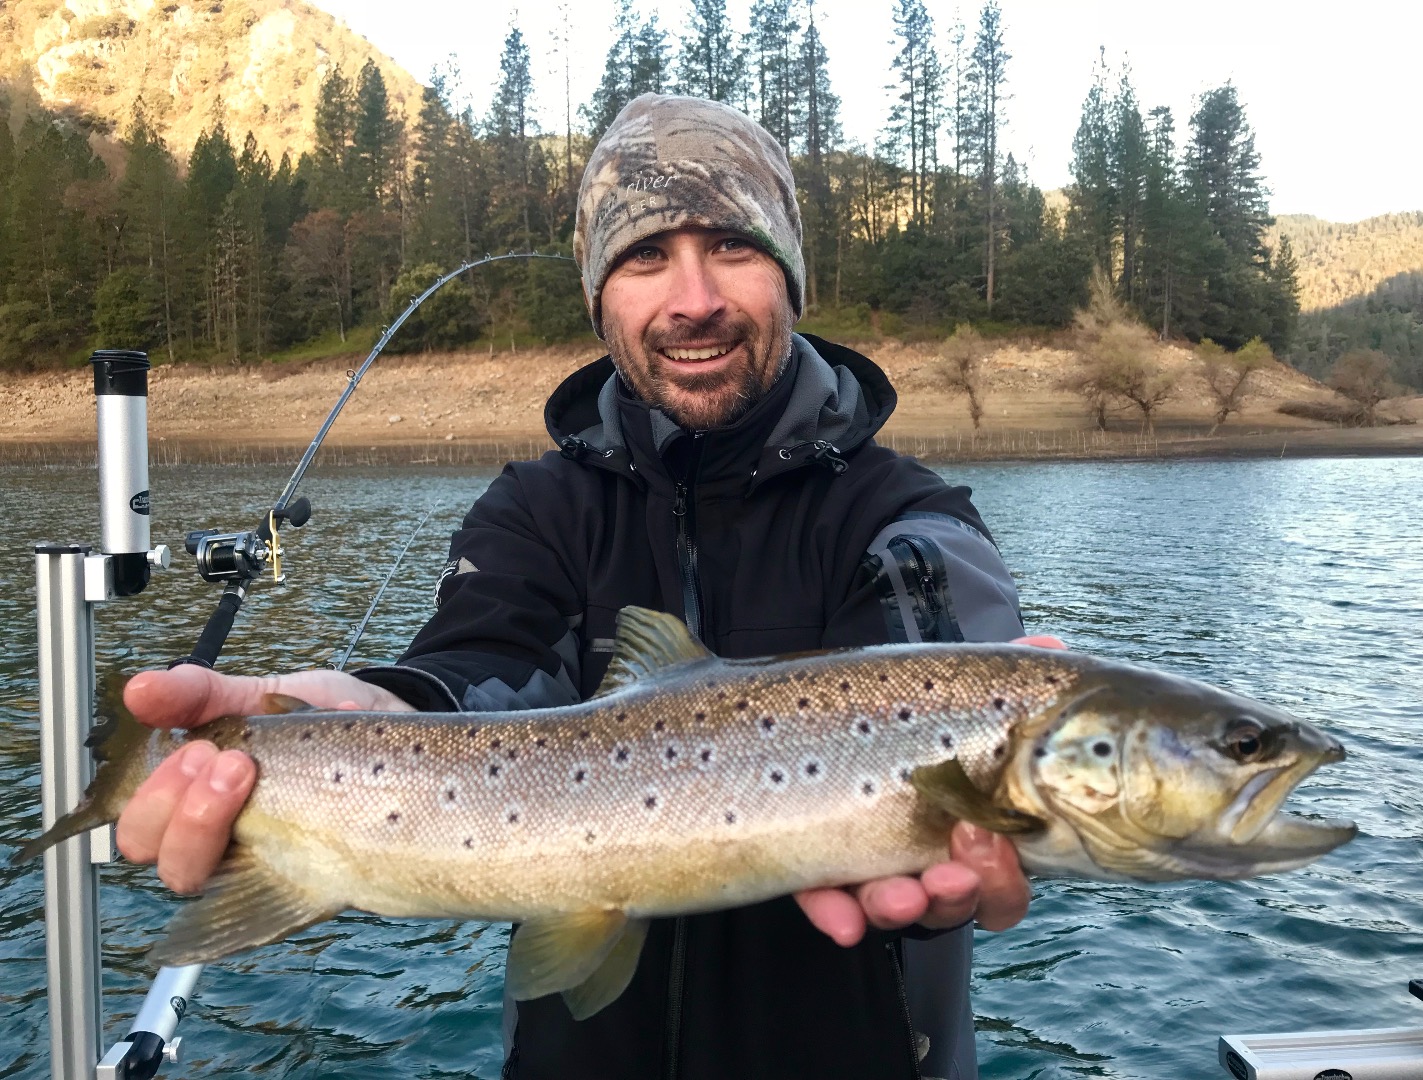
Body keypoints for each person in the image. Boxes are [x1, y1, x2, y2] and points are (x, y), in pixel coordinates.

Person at [118, 94, 1052, 1079]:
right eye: (646, 258)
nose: (693, 298)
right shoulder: (535, 510)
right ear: (599, 295)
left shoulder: (913, 518)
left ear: (790, 276)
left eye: (733, 248)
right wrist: (365, 711)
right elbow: (482, 667)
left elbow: (940, 671)